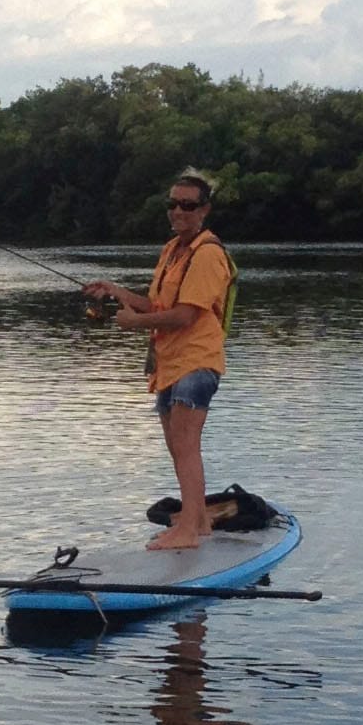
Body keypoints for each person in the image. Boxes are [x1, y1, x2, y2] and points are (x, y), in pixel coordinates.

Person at [83, 170, 234, 550]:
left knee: (186, 444)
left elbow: (185, 316)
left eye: (188, 205)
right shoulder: (172, 251)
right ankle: (197, 522)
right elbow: (157, 305)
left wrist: (136, 324)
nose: (178, 211)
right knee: (176, 446)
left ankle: (187, 531)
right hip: (170, 363)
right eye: (173, 204)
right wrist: (117, 292)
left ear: (204, 210)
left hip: (197, 361)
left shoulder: (208, 253)